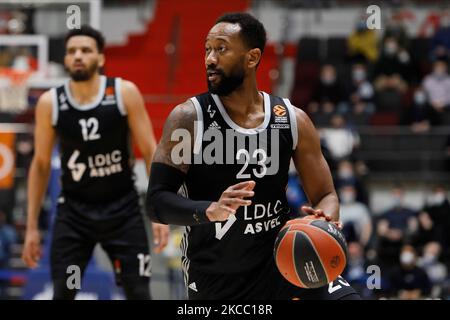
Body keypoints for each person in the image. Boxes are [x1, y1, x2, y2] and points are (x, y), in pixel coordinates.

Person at [146, 13, 359, 300]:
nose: (209, 59)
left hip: (282, 262)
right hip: (216, 277)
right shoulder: (189, 118)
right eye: (207, 49)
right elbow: (157, 201)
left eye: (221, 49)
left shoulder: (291, 120)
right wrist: (209, 210)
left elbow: (326, 194)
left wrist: (325, 218)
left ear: (252, 57)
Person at [21, 25, 169, 300]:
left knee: (139, 292)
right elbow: (40, 165)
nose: (78, 56)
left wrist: (158, 212)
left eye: (86, 50)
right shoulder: (50, 103)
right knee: (63, 291)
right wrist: (31, 227)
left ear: (100, 58)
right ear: (65, 59)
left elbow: (151, 152)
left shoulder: (124, 93)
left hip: (123, 210)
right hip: (74, 213)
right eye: (72, 51)